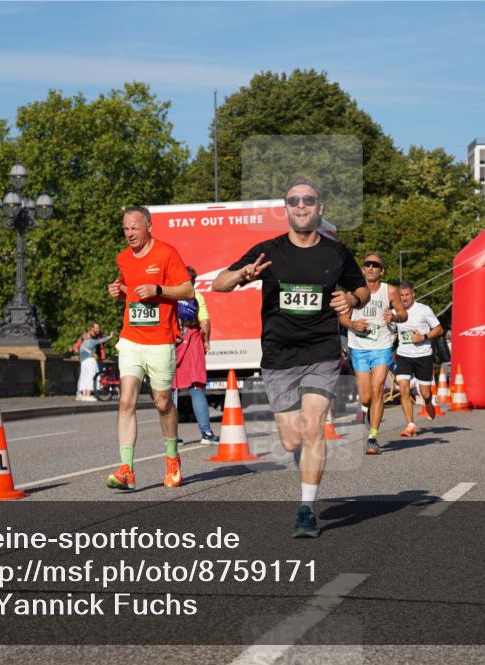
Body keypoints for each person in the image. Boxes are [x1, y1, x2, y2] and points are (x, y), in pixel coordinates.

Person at [213, 178, 369, 538]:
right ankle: (305, 461)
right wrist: (242, 274)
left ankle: (306, 509)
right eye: (294, 201)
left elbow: (359, 287)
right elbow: (218, 283)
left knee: (314, 427)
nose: (301, 206)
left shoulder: (336, 253)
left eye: (308, 200)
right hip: (279, 355)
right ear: (286, 209)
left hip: (321, 351)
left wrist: (353, 300)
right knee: (291, 440)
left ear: (320, 208)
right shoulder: (269, 251)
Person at [106, 205, 194, 490]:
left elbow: (188, 290)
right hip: (131, 339)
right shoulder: (123, 258)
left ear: (148, 226)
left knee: (162, 402)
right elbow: (128, 290)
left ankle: (171, 458)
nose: (130, 233)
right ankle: (126, 470)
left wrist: (158, 290)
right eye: (126, 229)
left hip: (160, 341)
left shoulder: (166, 253)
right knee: (126, 401)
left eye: (134, 227)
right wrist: (118, 291)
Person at [338, 252, 407, 455]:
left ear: (381, 271)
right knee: (366, 397)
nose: (370, 268)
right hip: (359, 347)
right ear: (362, 269)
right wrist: (352, 323)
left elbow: (404, 314)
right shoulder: (353, 291)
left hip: (382, 346)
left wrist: (394, 316)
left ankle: (373, 437)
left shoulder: (390, 291)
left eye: (375, 265)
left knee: (378, 390)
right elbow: (342, 318)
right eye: (367, 264)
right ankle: (370, 413)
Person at [174, 266, 218, 445]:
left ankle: (172, 437)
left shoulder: (170, 297)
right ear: (194, 281)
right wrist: (206, 340)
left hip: (172, 344)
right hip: (192, 342)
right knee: (196, 388)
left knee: (171, 391)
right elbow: (205, 322)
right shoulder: (197, 297)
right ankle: (206, 433)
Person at [393, 282, 443, 437]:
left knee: (425, 393)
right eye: (401, 295)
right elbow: (392, 330)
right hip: (403, 355)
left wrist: (424, 336)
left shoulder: (424, 310)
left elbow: (439, 329)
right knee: (404, 389)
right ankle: (410, 424)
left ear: (413, 294)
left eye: (407, 295)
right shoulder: (396, 312)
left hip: (423, 355)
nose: (405, 298)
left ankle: (429, 403)